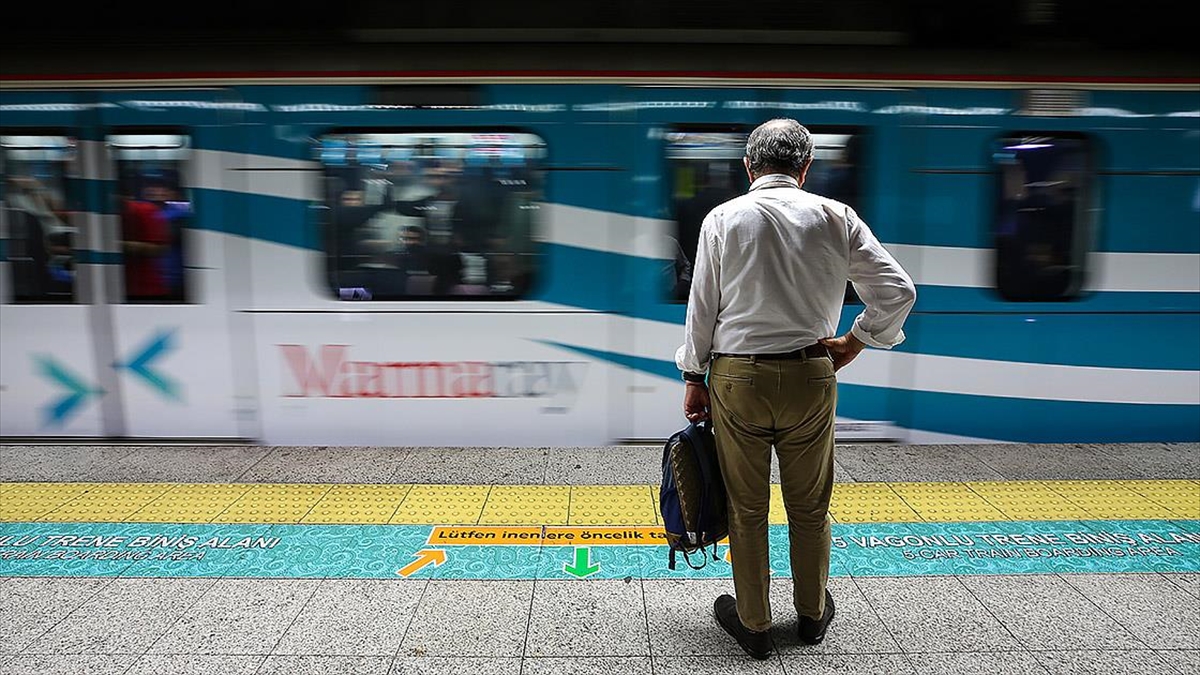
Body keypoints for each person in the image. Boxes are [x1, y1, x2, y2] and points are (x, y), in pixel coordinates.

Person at [675, 119, 916, 660]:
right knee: (810, 506)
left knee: (747, 505)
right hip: (812, 373)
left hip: (738, 378)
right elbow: (899, 290)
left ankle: (755, 623)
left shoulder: (722, 219)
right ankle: (811, 615)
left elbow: (703, 309)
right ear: (806, 168)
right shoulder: (837, 217)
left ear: (748, 166)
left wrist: (694, 377)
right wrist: (856, 340)